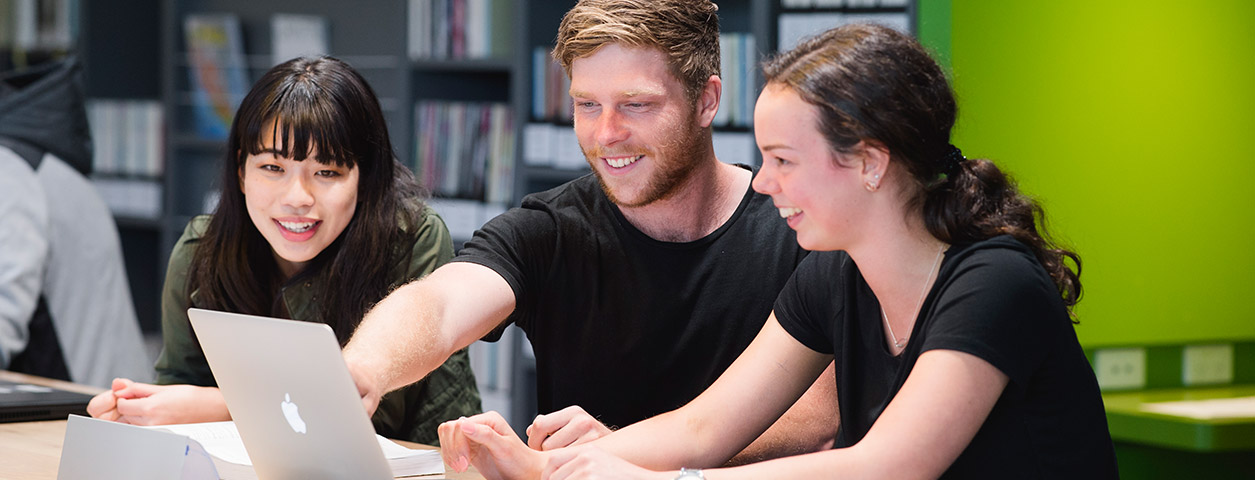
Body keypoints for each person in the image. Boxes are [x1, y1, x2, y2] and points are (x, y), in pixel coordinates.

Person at [435, 23, 1120, 479]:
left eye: (784, 160)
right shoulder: (832, 276)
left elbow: (889, 464)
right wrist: (546, 469)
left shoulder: (993, 282)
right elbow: (703, 428)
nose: (763, 183)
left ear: (869, 163)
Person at [343, 0, 838, 464]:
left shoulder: (799, 228)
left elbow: (815, 422)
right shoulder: (551, 230)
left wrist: (623, 452)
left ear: (707, 101)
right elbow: (440, 305)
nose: (606, 134)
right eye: (587, 105)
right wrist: (365, 367)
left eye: (636, 104)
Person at [85, 56, 481, 445]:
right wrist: (138, 410)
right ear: (241, 171)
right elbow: (177, 394)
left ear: (365, 178)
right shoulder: (201, 251)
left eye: (327, 172)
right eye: (272, 168)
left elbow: (363, 413)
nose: (297, 198)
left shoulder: (411, 239)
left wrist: (212, 404)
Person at [0, 56, 152, 388]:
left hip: (83, 409)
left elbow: (3, 318)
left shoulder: (10, 172)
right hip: (97, 401)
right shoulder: (29, 160)